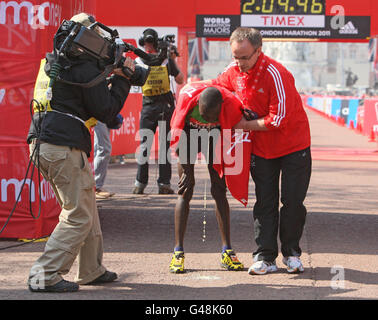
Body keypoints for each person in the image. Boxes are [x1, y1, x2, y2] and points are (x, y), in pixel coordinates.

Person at [26, 13, 135, 292]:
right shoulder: (86, 68)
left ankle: (91, 269)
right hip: (63, 147)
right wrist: (124, 79)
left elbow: (79, 99)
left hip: (45, 143)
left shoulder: (56, 61)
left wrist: (109, 74)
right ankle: (44, 275)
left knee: (85, 206)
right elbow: (106, 112)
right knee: (78, 214)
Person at [207, 27, 312, 275]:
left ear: (258, 51)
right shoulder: (232, 71)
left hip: (293, 146)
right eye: (235, 57)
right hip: (262, 150)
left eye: (245, 57)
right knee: (265, 202)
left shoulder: (277, 73)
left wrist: (242, 125)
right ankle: (265, 257)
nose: (239, 63)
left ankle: (292, 254)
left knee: (293, 202)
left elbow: (278, 119)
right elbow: (216, 89)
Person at [168, 82, 257, 273]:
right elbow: (176, 129)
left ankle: (227, 251)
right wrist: (184, 163)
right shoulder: (186, 98)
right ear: (198, 103)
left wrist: (247, 114)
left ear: (221, 108)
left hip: (215, 136)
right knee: (185, 188)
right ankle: (178, 252)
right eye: (205, 115)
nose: (208, 119)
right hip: (188, 133)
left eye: (212, 117)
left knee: (219, 189)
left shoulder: (231, 103)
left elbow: (242, 120)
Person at [133, 28, 184, 195]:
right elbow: (180, 79)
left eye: (148, 44)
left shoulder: (147, 60)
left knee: (155, 147)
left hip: (157, 106)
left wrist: (172, 60)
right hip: (156, 106)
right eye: (146, 44)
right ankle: (151, 183)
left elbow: (179, 79)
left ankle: (153, 184)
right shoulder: (157, 60)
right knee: (153, 147)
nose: (147, 48)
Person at [94, 121, 115, 200]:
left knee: (99, 147)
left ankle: (97, 187)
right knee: (104, 149)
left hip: (105, 114)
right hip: (97, 115)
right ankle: (96, 187)